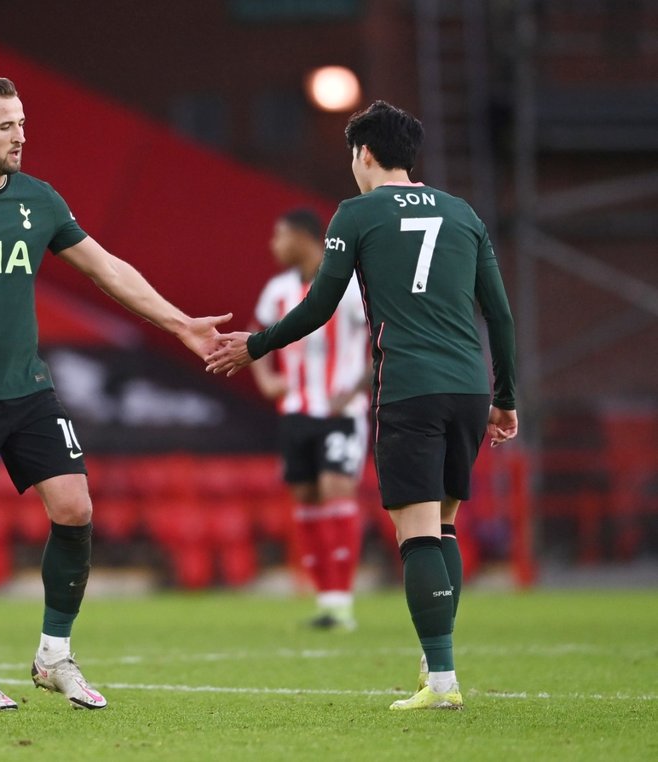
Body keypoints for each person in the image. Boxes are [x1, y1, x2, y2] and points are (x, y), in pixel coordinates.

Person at [0, 74, 230, 711]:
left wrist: (179, 323)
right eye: (5, 125)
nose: (20, 136)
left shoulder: (39, 200)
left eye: (22, 122)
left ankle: (53, 656)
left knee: (75, 508)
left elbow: (107, 268)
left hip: (29, 389)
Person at [206, 100, 517, 711]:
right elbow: (499, 315)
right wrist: (505, 397)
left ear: (364, 155)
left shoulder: (357, 213)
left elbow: (321, 304)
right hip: (468, 387)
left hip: (410, 387)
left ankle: (445, 683)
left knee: (417, 532)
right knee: (444, 523)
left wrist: (255, 346)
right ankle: (436, 665)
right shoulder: (462, 213)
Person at [249, 209, 369, 631]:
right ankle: (326, 599)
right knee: (305, 500)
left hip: (340, 413)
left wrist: (356, 390)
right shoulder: (278, 290)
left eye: (279, 235)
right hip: (296, 410)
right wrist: (266, 379)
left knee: (336, 489)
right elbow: (255, 332)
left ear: (303, 237)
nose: (274, 245)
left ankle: (342, 601)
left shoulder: (351, 285)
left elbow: (381, 338)